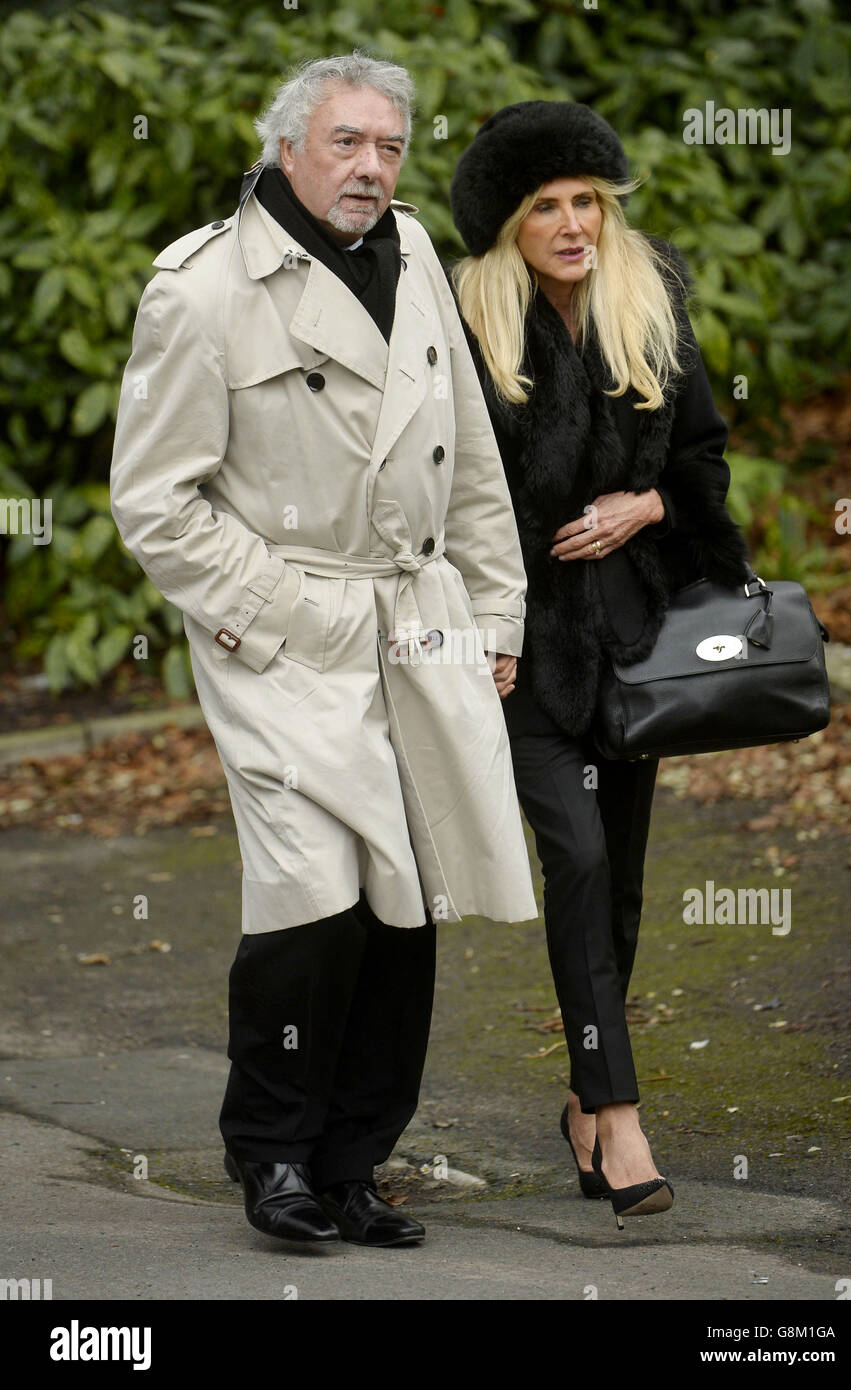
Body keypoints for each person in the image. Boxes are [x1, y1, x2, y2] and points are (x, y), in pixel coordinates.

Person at [109, 54, 538, 1249]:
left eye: (390, 147)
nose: (370, 167)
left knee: (409, 896)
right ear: (287, 145)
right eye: (347, 142)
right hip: (283, 634)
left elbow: (471, 459)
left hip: (423, 619)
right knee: (312, 898)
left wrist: (495, 618)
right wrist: (285, 612)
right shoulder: (200, 288)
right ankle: (275, 1160)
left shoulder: (413, 259)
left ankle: (354, 1163)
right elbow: (156, 502)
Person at [449, 100, 751, 1229]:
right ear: (510, 224)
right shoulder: (466, 319)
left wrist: (648, 504)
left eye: (588, 200)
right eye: (546, 206)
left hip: (633, 645)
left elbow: (704, 460)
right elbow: (436, 493)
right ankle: (620, 1117)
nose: (574, 224)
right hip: (515, 646)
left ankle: (583, 1099)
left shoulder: (649, 291)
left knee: (616, 878)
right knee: (571, 855)